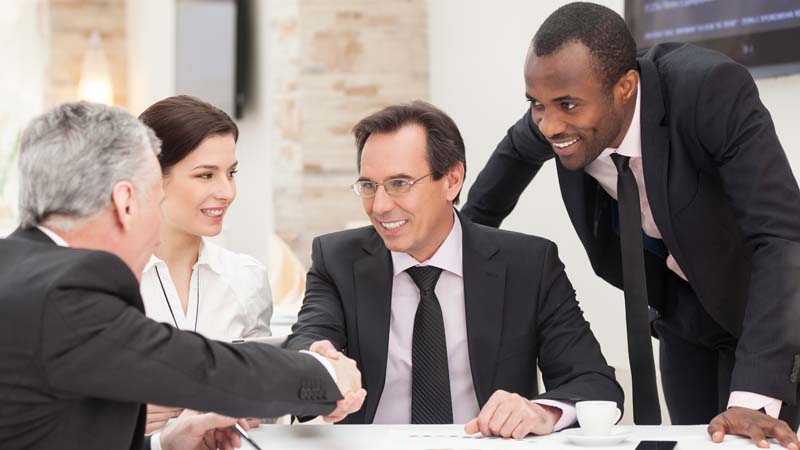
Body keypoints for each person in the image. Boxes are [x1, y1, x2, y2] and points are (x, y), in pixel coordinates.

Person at [459, 2, 800, 447]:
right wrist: (458, 253)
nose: (548, 125)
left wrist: (754, 396)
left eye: (566, 105)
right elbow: (502, 177)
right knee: (691, 440)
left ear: (624, 87)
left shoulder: (710, 90)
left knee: (745, 440)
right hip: (684, 311)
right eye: (536, 105)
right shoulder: (554, 116)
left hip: (765, 310)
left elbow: (781, 234)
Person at [0, 101, 366, 450]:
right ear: (127, 201)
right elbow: (204, 368)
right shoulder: (67, 292)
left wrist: (165, 443)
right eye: (154, 195)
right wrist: (323, 373)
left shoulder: (15, 266)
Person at [285, 100, 623, 438]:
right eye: (369, 186)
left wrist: (541, 411)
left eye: (400, 183)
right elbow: (310, 339)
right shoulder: (337, 258)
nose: (380, 206)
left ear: (452, 180)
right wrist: (317, 363)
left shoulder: (529, 264)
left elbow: (594, 383)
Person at [137, 95, 273, 432]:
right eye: (205, 175)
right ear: (153, 176)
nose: (227, 192)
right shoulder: (102, 279)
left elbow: (266, 401)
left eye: (231, 173)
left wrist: (256, 407)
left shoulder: (247, 278)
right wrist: (119, 413)